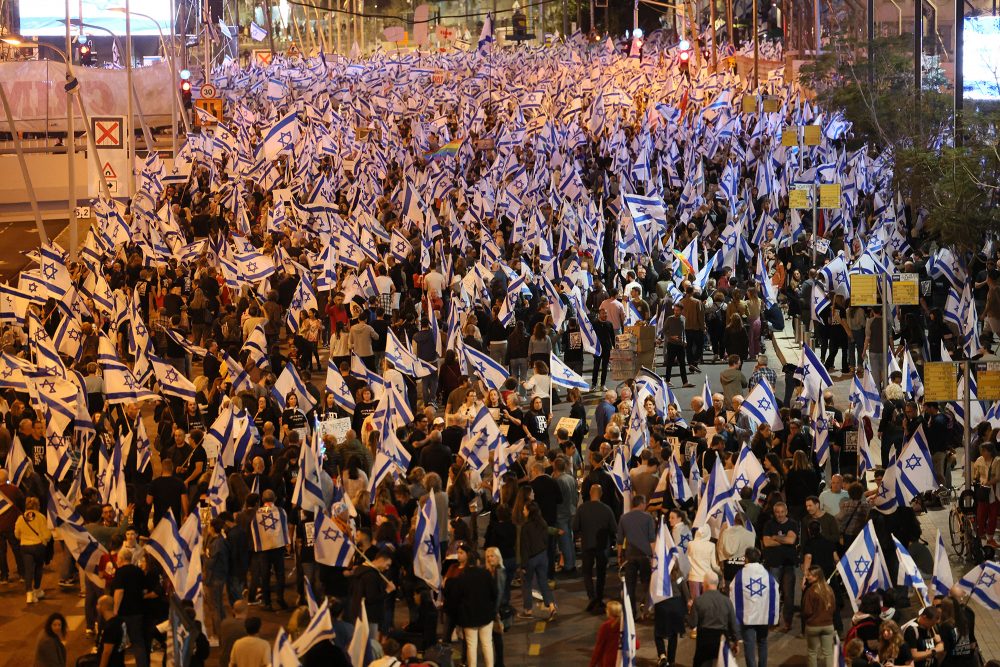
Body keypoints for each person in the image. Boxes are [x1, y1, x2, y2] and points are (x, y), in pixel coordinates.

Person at [446, 545, 498, 667]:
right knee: (487, 644)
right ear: (478, 562)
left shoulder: (462, 577)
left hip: (469, 617)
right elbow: (494, 593)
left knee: (471, 645)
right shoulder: (486, 574)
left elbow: (456, 597)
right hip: (485, 616)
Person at [729, 549, 779, 667]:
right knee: (762, 643)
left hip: (748, 616)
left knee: (749, 644)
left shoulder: (741, 575)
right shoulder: (767, 574)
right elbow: (775, 589)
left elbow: (732, 590)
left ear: (746, 558)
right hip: (763, 615)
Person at [573, 485, 618, 612]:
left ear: (590, 493)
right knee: (601, 572)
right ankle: (599, 596)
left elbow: (575, 527)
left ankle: (591, 596)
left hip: (587, 544)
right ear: (601, 494)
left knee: (587, 571)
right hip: (602, 546)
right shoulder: (606, 509)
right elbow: (614, 528)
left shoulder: (582, 508)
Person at [686, 571, 740, 667]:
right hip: (722, 641)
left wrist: (689, 611)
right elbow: (733, 624)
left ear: (705, 584)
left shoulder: (699, 601)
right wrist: (736, 642)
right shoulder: (727, 601)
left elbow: (692, 623)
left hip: (704, 641)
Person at [761, 501, 798, 631]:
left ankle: (787, 621)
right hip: (773, 564)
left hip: (788, 564)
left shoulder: (792, 523)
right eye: (777, 512)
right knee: (773, 593)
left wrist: (775, 537)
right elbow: (766, 542)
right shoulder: (768, 524)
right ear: (774, 512)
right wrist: (784, 540)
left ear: (786, 512)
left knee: (788, 595)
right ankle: (774, 620)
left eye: (782, 512)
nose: (780, 515)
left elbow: (791, 540)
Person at [617, 495, 656, 617]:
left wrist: (619, 556)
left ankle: (631, 613)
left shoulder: (623, 518)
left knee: (630, 585)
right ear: (642, 503)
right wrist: (654, 557)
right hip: (645, 556)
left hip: (630, 556)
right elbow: (652, 540)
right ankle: (647, 609)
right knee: (646, 583)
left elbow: (619, 540)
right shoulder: (648, 518)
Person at [517, 502, 556, 620]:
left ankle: (528, 610)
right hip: (542, 556)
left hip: (530, 559)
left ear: (529, 512)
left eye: (524, 509)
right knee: (543, 582)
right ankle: (551, 606)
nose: (523, 511)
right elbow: (546, 539)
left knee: (527, 584)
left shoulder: (526, 527)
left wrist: (523, 565)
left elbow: (524, 547)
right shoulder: (543, 523)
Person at [14, 495, 51, 604]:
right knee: (38, 568)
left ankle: (29, 594)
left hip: (25, 546)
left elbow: (17, 534)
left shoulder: (21, 518)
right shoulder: (41, 517)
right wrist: (44, 541)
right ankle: (37, 589)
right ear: (37, 506)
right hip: (38, 546)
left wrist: (24, 538)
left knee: (28, 570)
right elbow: (47, 534)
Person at [653, 560, 689, 667]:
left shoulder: (658, 574)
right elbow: (685, 591)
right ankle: (671, 660)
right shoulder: (679, 574)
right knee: (674, 634)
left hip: (662, 605)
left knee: (658, 632)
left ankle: (662, 655)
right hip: (676, 606)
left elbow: (652, 590)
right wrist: (687, 604)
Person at [802, 566, 836, 667]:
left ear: (816, 577)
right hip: (828, 625)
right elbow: (834, 608)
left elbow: (807, 611)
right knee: (828, 653)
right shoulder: (829, 589)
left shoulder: (810, 591)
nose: (807, 577)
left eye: (809, 575)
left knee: (812, 653)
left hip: (813, 626)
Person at [96, 594, 128, 667]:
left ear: (103, 607)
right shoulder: (120, 621)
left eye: (98, 604)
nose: (97, 607)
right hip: (120, 661)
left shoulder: (110, 627)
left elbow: (107, 652)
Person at [589, 601, 624, 667]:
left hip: (609, 660)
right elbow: (637, 645)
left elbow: (599, 647)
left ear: (608, 612)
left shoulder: (606, 626)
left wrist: (592, 664)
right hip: (623, 660)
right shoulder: (627, 625)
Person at [219, 600, 250, 667]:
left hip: (225, 660)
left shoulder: (224, 623)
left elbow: (221, 642)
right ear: (246, 611)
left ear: (233, 610)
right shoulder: (249, 626)